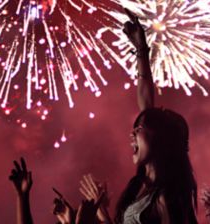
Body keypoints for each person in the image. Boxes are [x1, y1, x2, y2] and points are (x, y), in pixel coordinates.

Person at [81, 8, 198, 224]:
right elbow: (146, 104)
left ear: (161, 139)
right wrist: (141, 50)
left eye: (139, 129)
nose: (132, 133)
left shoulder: (166, 196)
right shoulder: (146, 188)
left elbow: (147, 110)